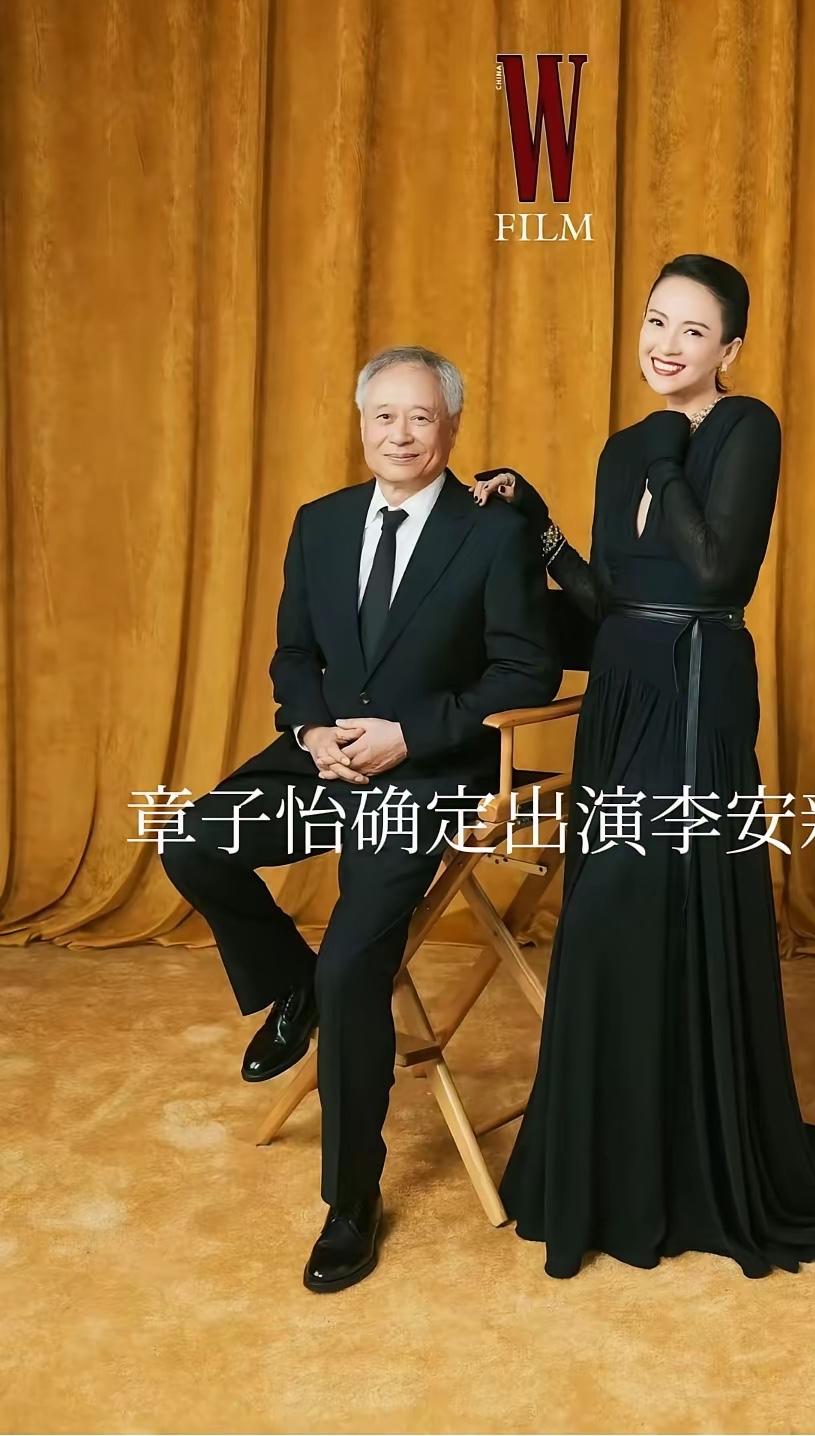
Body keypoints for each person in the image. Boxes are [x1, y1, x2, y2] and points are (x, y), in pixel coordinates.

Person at [472, 254, 815, 1279]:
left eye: (693, 330)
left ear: (730, 348)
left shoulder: (746, 427)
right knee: (607, 914)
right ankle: (609, 1164)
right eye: (656, 320)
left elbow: (717, 570)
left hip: (701, 685)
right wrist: (540, 527)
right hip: (624, 690)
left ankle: (694, 1161)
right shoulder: (622, 446)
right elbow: (605, 603)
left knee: (659, 900)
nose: (666, 344)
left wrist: (672, 454)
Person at [160, 346, 560, 1293]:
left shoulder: (492, 534)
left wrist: (408, 736)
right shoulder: (322, 522)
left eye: (421, 417)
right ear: (362, 423)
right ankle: (289, 985)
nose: (401, 434)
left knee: (353, 965)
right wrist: (311, 730)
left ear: (450, 427)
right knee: (192, 842)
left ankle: (350, 1201)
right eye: (384, 415)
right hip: (324, 755)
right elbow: (294, 653)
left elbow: (527, 673)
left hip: (429, 775)